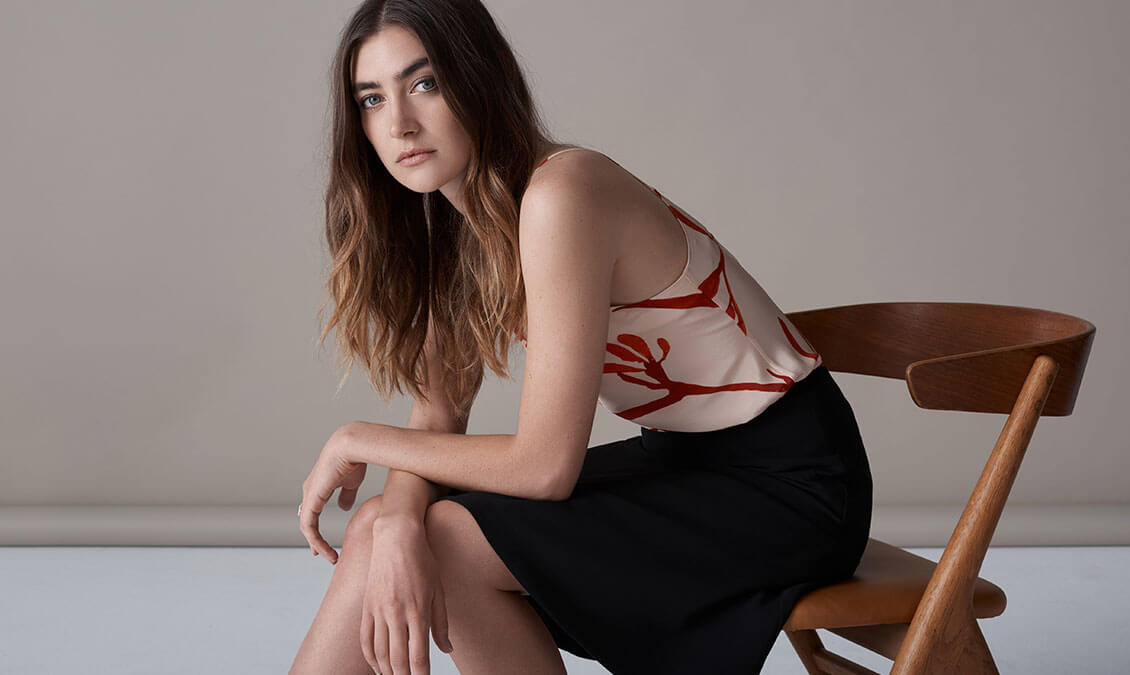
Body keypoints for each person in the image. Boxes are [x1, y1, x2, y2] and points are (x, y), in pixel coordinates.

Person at [291, 1, 873, 674]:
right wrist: (392, 520)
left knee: (444, 536)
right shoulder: (460, 228)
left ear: (480, 75)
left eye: (425, 83)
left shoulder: (561, 193)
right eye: (371, 98)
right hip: (684, 463)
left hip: (793, 487)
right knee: (391, 523)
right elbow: (437, 417)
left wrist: (355, 439)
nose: (399, 123)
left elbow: (544, 468)